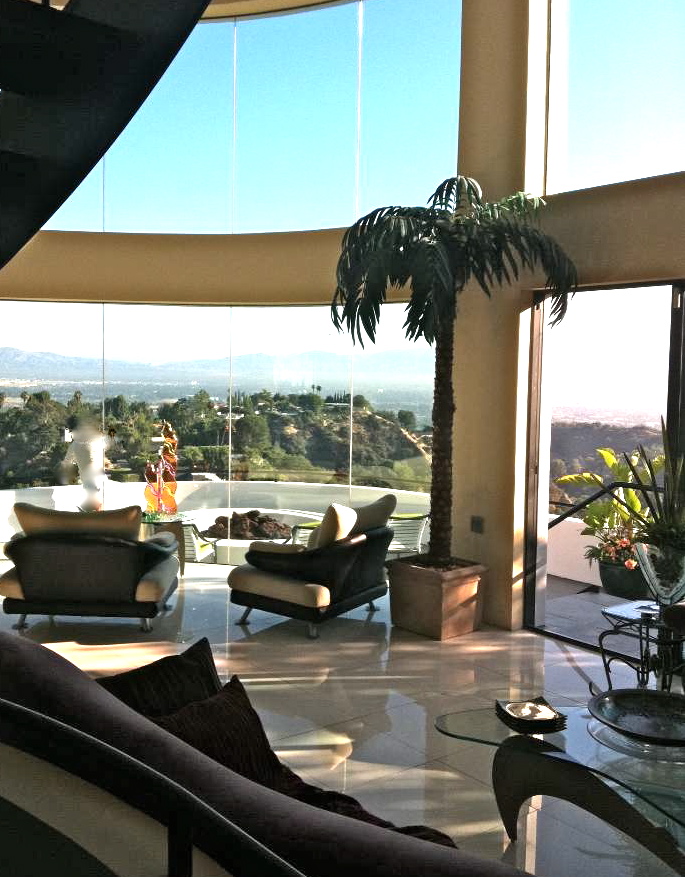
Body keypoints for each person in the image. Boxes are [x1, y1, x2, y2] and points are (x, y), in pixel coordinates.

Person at [62, 415, 107, 511]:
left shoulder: (74, 445)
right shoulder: (97, 440)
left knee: (94, 505)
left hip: (89, 478)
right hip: (98, 477)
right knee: (95, 505)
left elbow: (66, 462)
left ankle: (95, 515)